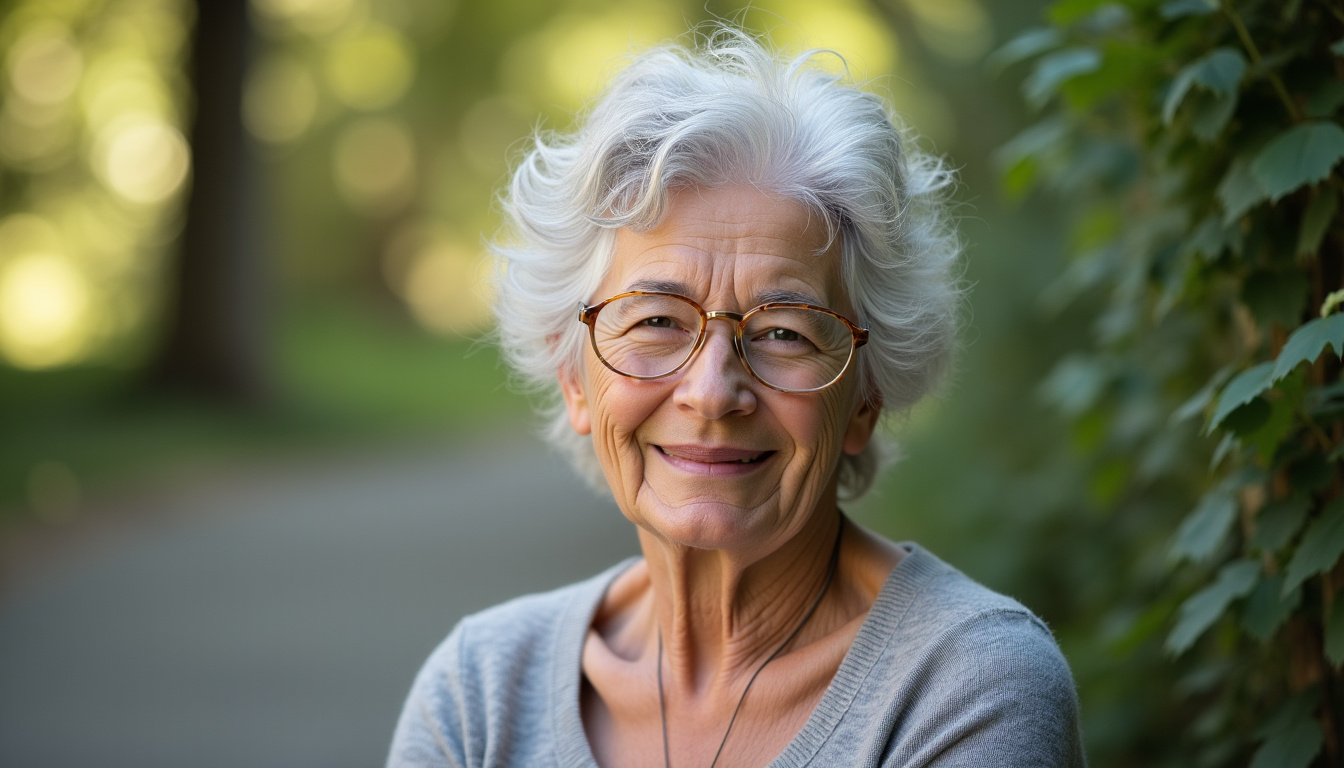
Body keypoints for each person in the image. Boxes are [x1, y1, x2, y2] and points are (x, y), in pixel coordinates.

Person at [388, 28, 1086, 768]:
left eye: (784, 332)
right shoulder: (481, 693)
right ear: (574, 378)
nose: (713, 392)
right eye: (656, 321)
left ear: (864, 397)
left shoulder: (970, 688)